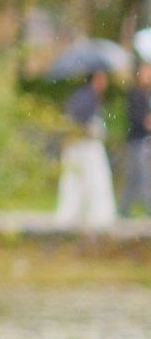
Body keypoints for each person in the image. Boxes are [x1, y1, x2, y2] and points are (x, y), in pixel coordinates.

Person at [55, 66, 118, 230]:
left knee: (78, 181)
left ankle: (77, 214)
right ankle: (96, 215)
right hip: (83, 147)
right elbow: (77, 121)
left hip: (83, 146)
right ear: (97, 77)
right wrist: (90, 130)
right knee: (92, 180)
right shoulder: (87, 96)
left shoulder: (85, 95)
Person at [125, 61, 151, 220]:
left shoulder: (146, 94)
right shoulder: (135, 93)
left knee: (135, 175)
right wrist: (145, 121)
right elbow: (135, 117)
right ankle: (147, 206)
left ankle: (124, 206)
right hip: (137, 139)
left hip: (144, 139)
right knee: (141, 174)